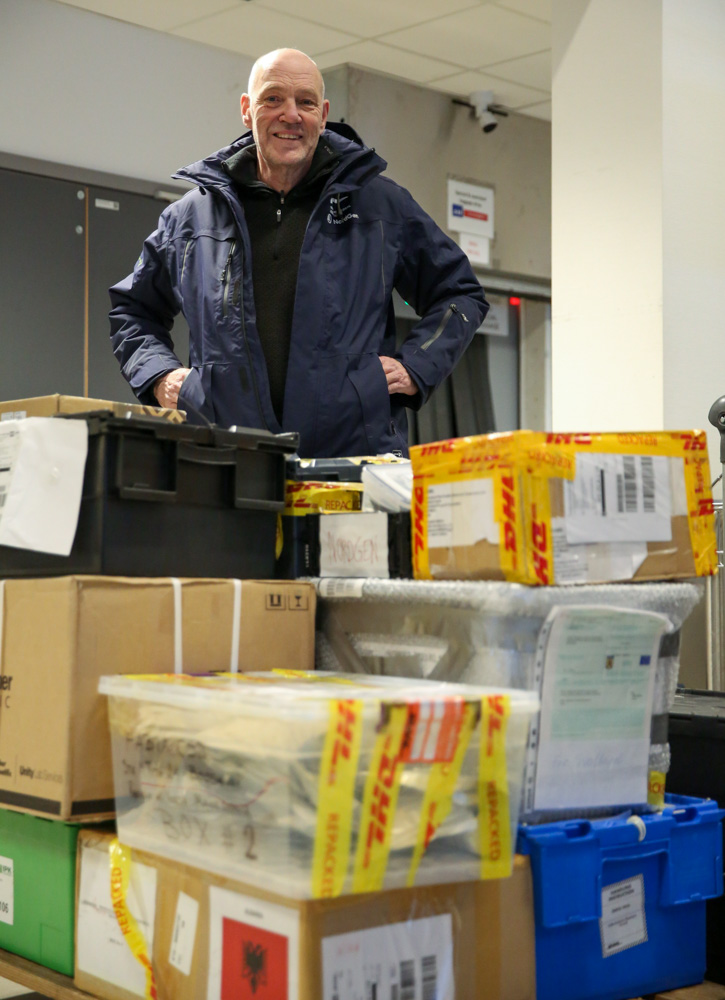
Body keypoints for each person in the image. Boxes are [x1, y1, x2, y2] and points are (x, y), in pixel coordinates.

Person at [109, 48, 489, 457]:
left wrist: (416, 366)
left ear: (323, 115)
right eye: (273, 98)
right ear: (246, 110)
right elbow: (134, 311)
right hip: (223, 462)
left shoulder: (379, 207)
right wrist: (160, 375)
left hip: (351, 462)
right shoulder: (191, 220)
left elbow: (459, 293)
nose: (290, 115)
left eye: (305, 102)